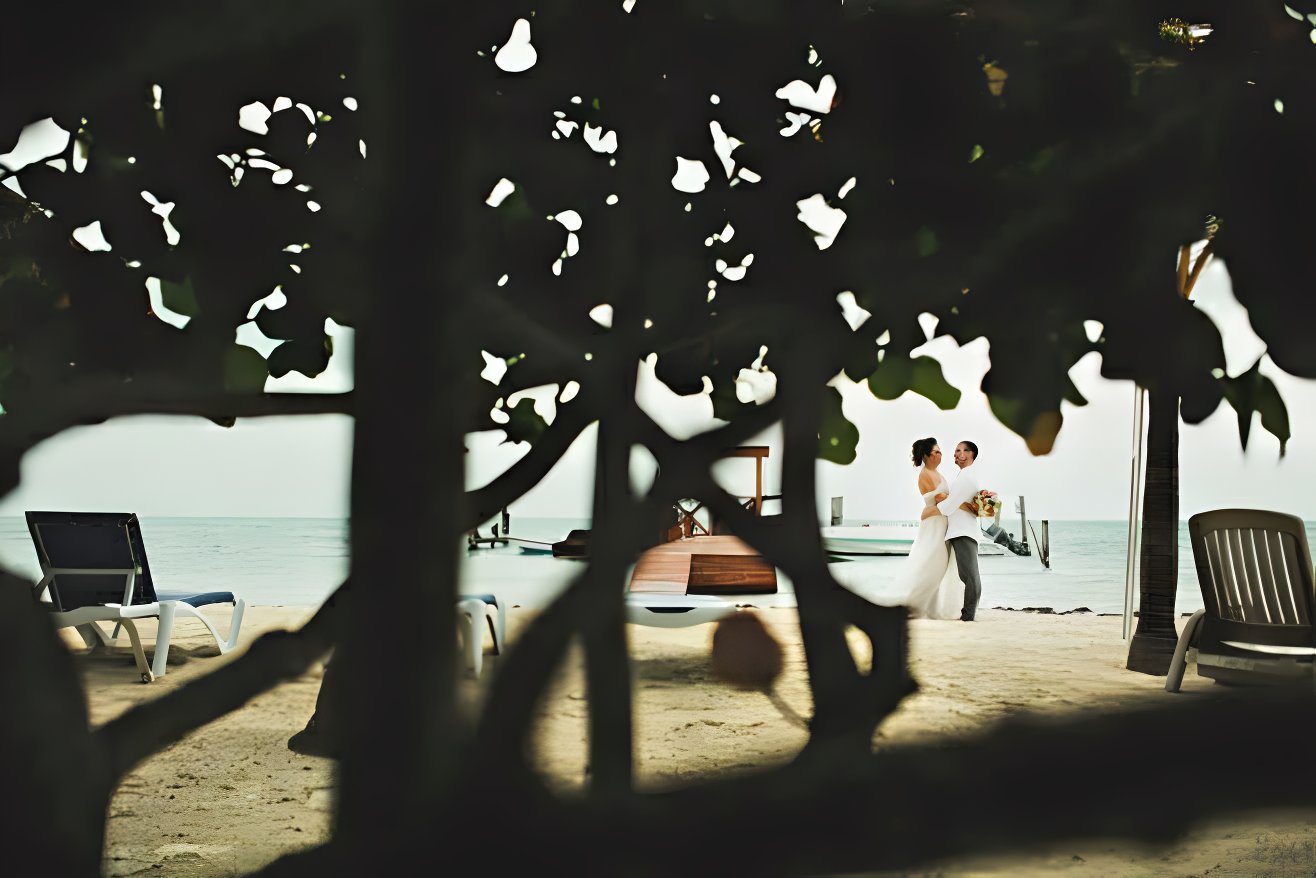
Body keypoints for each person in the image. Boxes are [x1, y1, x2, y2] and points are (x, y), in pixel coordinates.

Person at [892, 438, 966, 620]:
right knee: (930, 563)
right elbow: (942, 499)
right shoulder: (925, 474)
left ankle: (930, 607)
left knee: (938, 566)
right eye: (936, 452)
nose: (941, 454)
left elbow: (946, 499)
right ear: (926, 455)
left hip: (942, 522)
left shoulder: (938, 473)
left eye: (940, 451)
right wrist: (969, 505)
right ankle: (911, 604)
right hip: (934, 525)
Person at [934, 441, 983, 622]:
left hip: (963, 531)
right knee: (968, 575)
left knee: (969, 575)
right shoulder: (965, 475)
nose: (956, 454)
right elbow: (958, 503)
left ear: (970, 455)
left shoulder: (965, 477)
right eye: (955, 450)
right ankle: (968, 613)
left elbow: (947, 508)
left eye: (960, 451)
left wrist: (940, 499)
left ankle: (968, 615)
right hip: (962, 530)